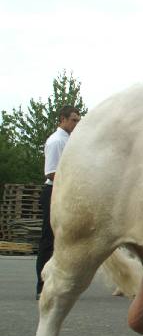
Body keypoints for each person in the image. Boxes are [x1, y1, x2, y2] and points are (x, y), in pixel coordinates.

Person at [36, 106, 81, 300]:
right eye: (73, 120)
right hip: (54, 191)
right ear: (62, 119)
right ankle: (42, 286)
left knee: (63, 240)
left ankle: (59, 282)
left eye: (78, 120)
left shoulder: (69, 140)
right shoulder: (56, 141)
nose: (76, 123)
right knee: (48, 240)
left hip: (65, 191)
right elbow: (51, 172)